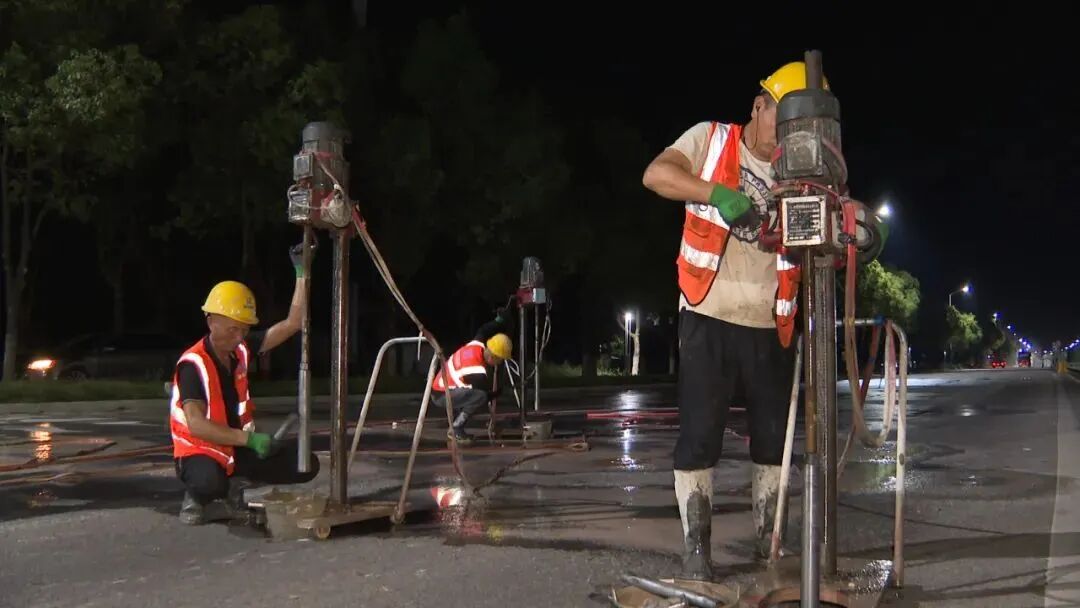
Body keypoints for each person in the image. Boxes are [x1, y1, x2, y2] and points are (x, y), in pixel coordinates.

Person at [641, 61, 824, 578]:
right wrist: (715, 193)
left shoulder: (800, 169)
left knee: (773, 442)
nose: (788, 134)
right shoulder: (712, 139)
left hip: (771, 323)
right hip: (708, 313)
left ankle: (770, 542)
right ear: (759, 106)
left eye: (800, 126)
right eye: (783, 119)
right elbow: (656, 175)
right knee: (700, 438)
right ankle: (697, 550)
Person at [170, 244, 319, 525]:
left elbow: (293, 323)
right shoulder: (193, 364)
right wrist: (249, 440)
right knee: (209, 482)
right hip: (199, 452)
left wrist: (302, 273)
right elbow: (197, 425)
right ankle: (198, 497)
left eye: (244, 329)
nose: (239, 337)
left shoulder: (239, 350)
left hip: (235, 448)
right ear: (211, 322)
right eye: (233, 329)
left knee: (306, 464)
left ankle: (234, 486)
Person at [431, 310, 514, 444]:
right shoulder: (477, 371)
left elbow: (484, 330)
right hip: (441, 395)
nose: (500, 363)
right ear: (494, 357)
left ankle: (456, 419)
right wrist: (499, 392)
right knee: (479, 397)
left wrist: (499, 321)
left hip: (441, 387)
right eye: (500, 360)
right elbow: (486, 395)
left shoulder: (477, 344)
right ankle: (456, 428)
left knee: (471, 395)